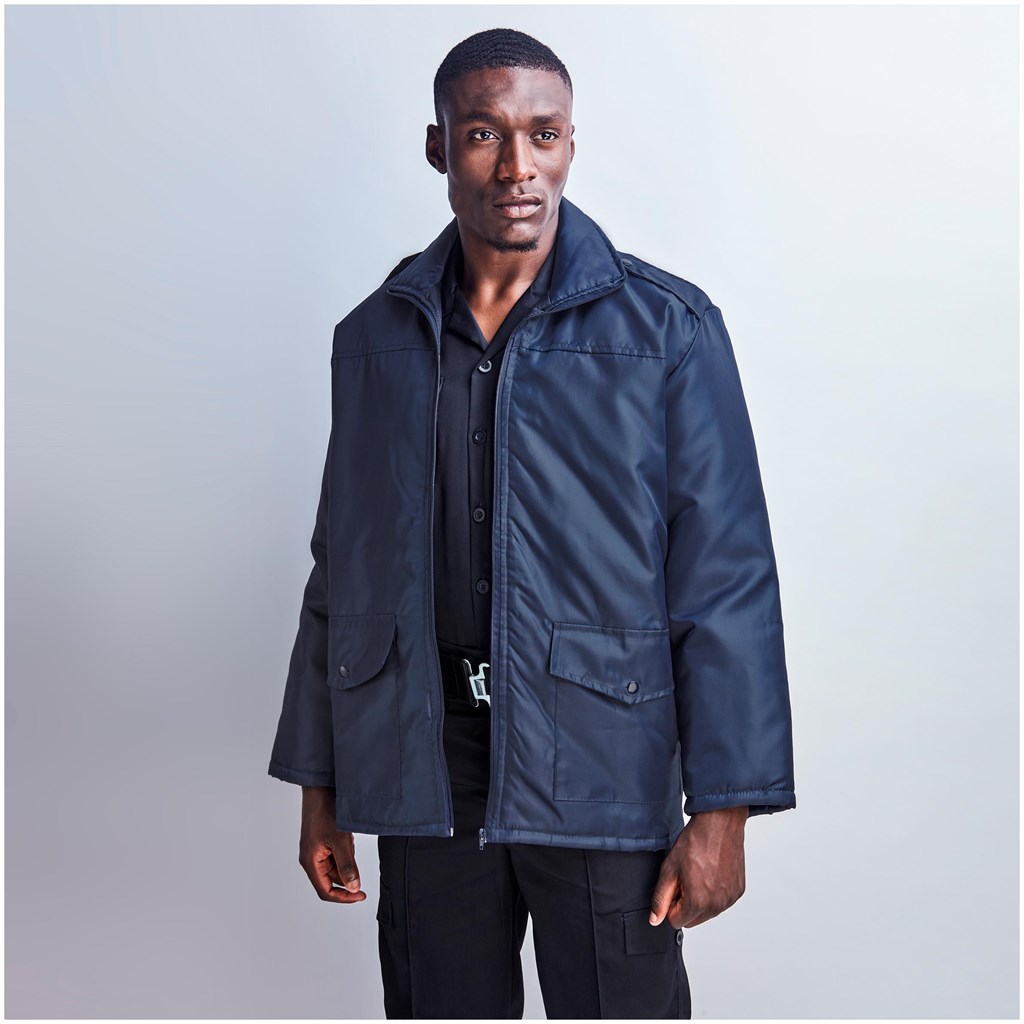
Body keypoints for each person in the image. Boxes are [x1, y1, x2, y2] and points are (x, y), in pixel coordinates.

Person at [268, 27, 796, 1020]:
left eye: (542, 134)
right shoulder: (374, 338)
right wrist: (320, 783)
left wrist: (726, 810)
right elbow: (342, 568)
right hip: (426, 764)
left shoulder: (667, 330)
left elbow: (726, 577)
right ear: (439, 148)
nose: (517, 166)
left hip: (601, 759)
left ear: (570, 144)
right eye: (483, 134)